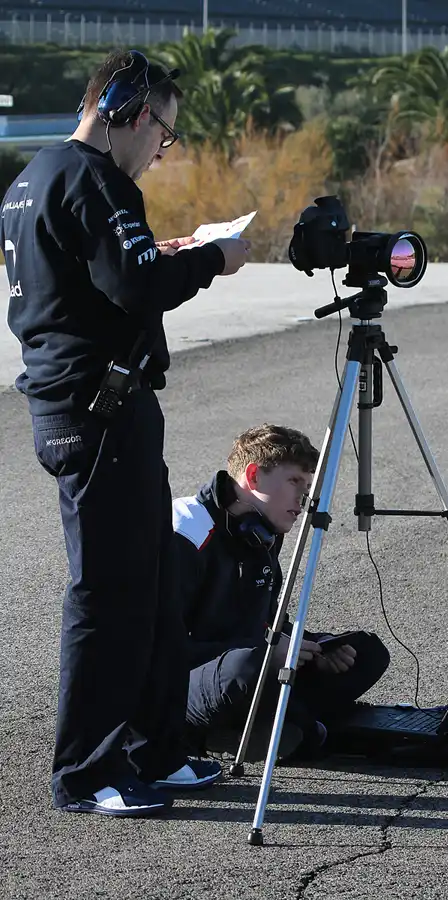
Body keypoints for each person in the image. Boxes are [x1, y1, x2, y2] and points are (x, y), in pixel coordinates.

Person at [0, 49, 251, 817]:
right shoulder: (97, 177)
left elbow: (99, 275)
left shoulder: (33, 177)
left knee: (148, 587)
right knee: (108, 594)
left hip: (89, 403)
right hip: (96, 411)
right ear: (128, 110)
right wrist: (213, 257)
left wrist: (161, 250)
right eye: (164, 134)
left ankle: (155, 749)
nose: (161, 151)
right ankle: (84, 772)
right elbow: (136, 284)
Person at [172, 424, 390, 761]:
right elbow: (157, 646)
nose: (303, 499)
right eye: (294, 482)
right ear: (254, 476)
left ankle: (268, 725)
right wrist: (269, 652)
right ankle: (245, 728)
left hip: (243, 664)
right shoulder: (187, 530)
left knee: (364, 651)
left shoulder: (261, 529)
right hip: (174, 684)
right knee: (249, 664)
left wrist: (314, 648)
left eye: (307, 485)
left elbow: (268, 620)